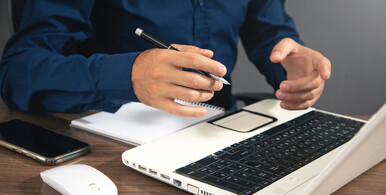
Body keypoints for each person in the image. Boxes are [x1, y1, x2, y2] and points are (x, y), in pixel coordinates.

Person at [0, 0, 331, 118]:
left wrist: (290, 65)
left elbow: (267, 28)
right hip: (115, 145)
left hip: (218, 130)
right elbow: (17, 71)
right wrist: (129, 76)